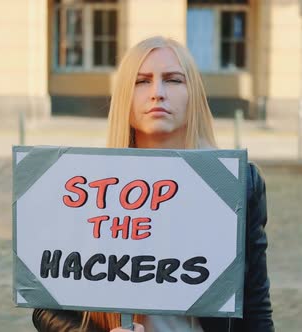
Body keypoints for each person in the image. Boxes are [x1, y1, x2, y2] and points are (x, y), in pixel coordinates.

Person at [32, 36, 274, 332]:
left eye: (173, 80)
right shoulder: (85, 186)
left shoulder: (237, 184)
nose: (157, 93)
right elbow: (47, 307)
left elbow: (255, 306)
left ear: (194, 94)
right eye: (142, 81)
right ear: (124, 96)